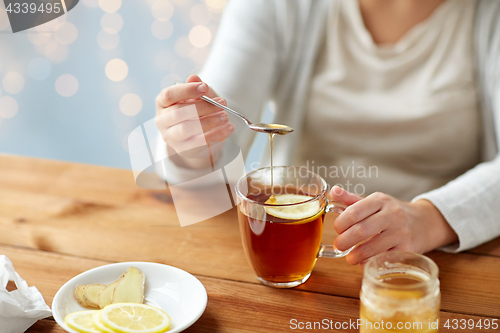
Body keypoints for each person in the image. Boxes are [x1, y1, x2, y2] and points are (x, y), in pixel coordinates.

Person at [155, 0, 500, 265]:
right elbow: (203, 179)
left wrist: (428, 219)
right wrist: (191, 143)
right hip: (297, 249)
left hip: (439, 260)